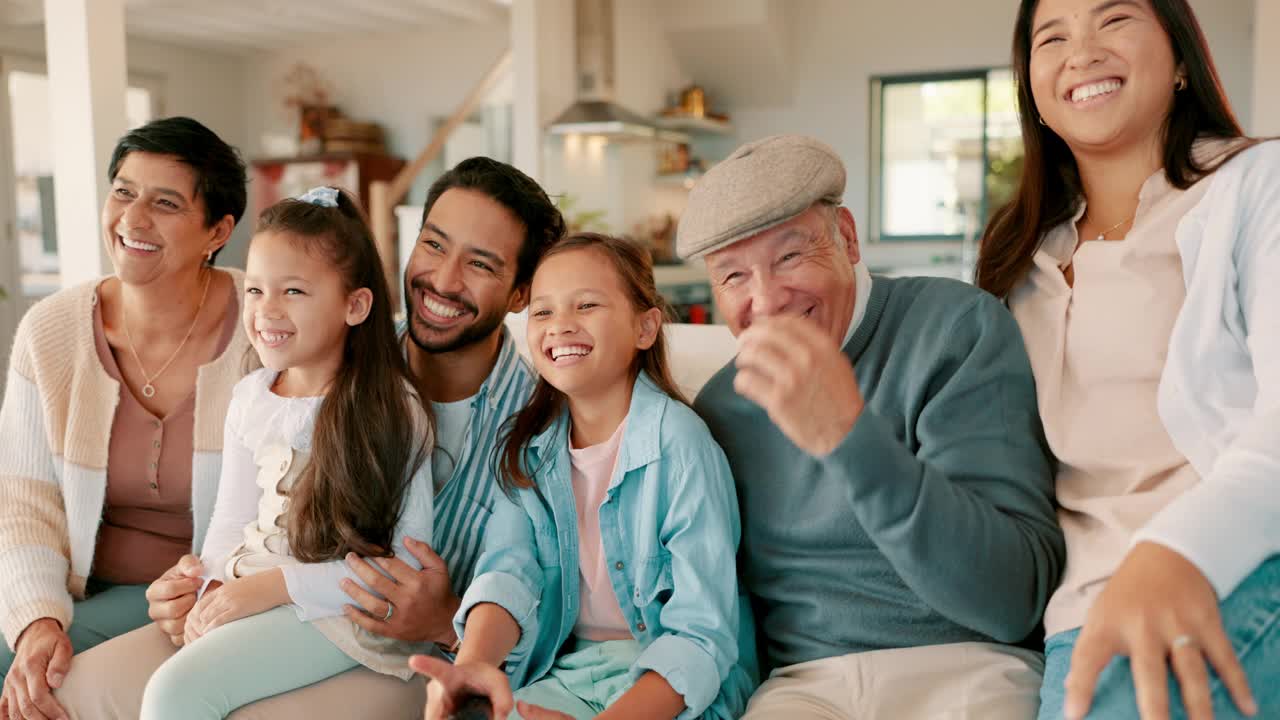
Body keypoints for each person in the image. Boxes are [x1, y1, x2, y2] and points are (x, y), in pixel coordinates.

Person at [54, 157, 566, 720]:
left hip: (396, 647)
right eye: (435, 246)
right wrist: (198, 587)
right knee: (75, 693)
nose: (443, 280)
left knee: (194, 700)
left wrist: (447, 622)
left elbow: (519, 580)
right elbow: (237, 523)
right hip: (270, 601)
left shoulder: (540, 423)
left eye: (481, 265)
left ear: (521, 293)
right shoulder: (308, 357)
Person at [680, 134, 1065, 719]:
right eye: (733, 277)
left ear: (849, 239)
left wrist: (847, 436)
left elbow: (1011, 600)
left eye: (789, 256)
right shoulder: (720, 410)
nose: (768, 300)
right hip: (804, 686)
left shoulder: (955, 330)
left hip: (970, 668)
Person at [976, 1, 1280, 718]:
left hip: (1234, 566)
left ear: (1180, 60)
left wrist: (1175, 551)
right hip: (1079, 617)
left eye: (1112, 19)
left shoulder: (1254, 185)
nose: (1080, 52)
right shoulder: (1014, 257)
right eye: (1052, 37)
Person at [415, 233, 756, 720]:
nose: (561, 326)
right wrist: (474, 664)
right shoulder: (527, 448)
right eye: (543, 312)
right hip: (567, 672)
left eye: (587, 305)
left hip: (671, 685)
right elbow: (509, 571)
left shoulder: (682, 446)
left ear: (645, 327)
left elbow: (701, 636)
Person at [132, 187, 434, 719]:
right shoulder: (251, 396)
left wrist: (272, 588)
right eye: (254, 290)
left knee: (172, 695)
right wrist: (208, 584)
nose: (267, 310)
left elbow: (402, 567)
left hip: (334, 613)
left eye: (293, 291)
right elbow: (229, 523)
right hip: (255, 587)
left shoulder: (391, 408)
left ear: (355, 305)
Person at [0, 116, 249, 720]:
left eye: (165, 202)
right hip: (79, 589)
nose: (133, 219)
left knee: (43, 685)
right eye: (123, 191)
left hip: (204, 593)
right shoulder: (51, 330)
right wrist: (36, 618)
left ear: (217, 229)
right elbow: (23, 502)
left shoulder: (263, 325)